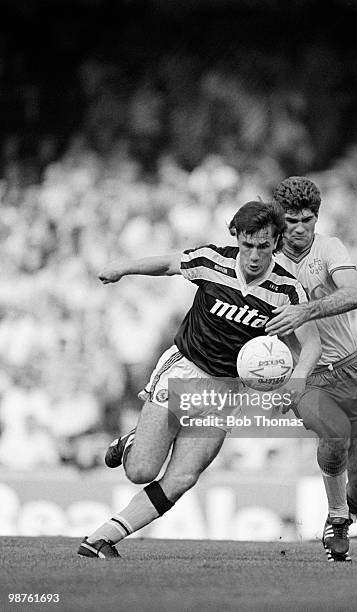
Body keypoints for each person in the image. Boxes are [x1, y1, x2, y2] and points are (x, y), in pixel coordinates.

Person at [77, 200, 322, 558]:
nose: (254, 255)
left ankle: (101, 539)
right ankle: (133, 441)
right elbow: (166, 264)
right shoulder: (212, 261)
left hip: (227, 391)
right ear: (236, 237)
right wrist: (122, 268)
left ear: (276, 242)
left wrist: (296, 382)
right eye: (248, 245)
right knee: (141, 471)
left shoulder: (286, 290)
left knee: (183, 479)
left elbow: (311, 344)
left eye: (264, 246)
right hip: (184, 372)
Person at [266, 176, 357, 562]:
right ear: (280, 219)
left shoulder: (329, 247)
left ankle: (345, 513)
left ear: (317, 218)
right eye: (291, 220)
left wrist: (307, 308)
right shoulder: (267, 260)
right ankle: (336, 516)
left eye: (307, 220)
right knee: (335, 433)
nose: (299, 229)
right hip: (307, 376)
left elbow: (356, 293)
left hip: (352, 371)